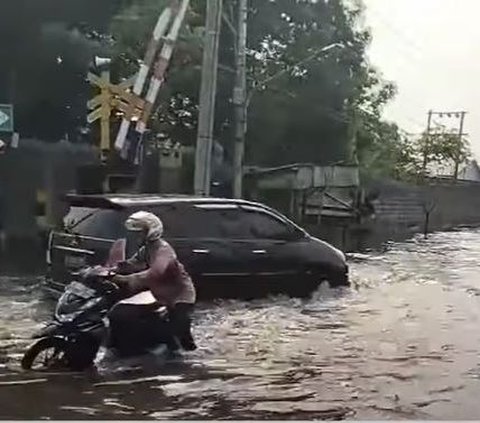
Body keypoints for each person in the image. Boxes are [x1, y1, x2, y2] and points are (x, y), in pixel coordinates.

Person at [111, 211, 197, 352]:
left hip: (180, 294)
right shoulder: (147, 249)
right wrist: (108, 270)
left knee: (181, 329)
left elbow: (157, 272)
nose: (136, 236)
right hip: (161, 292)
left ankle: (189, 357)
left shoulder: (163, 250)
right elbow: (132, 264)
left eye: (139, 232)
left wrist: (126, 279)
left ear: (151, 231)